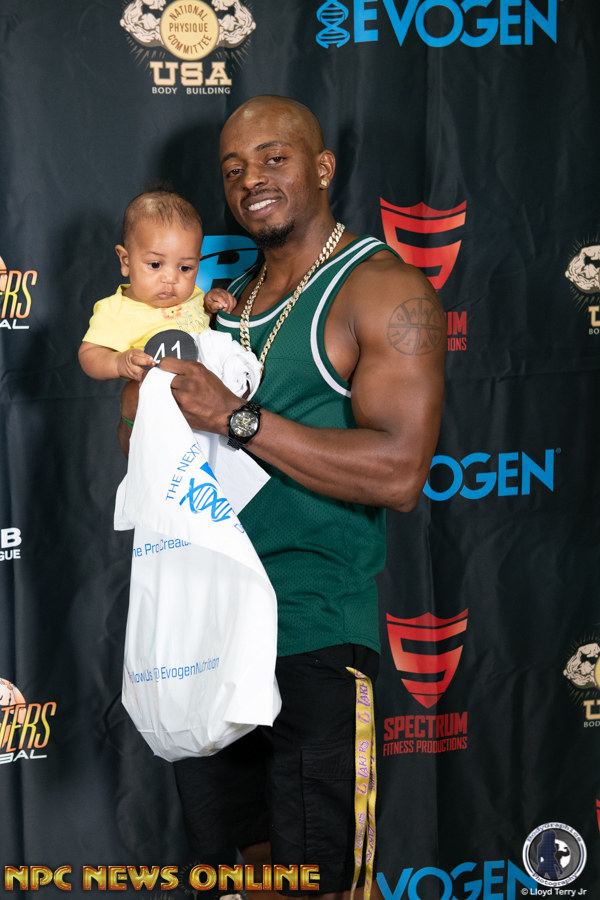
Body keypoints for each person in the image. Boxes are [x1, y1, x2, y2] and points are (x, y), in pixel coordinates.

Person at [120, 95, 445, 900]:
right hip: (205, 633)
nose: (251, 180)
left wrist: (237, 419)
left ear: (323, 167)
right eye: (233, 169)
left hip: (311, 631)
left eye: (274, 158)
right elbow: (148, 458)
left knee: (315, 884)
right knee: (236, 881)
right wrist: (141, 406)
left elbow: (400, 473)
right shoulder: (215, 306)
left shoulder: (384, 289)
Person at [79, 190, 236, 383]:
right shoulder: (115, 310)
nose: (170, 278)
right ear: (126, 261)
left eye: (185, 268)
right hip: (162, 393)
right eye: (155, 265)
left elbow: (201, 321)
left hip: (214, 385)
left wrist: (211, 306)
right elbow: (89, 354)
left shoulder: (193, 296)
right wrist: (119, 362)